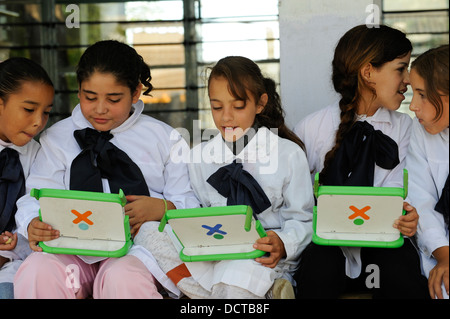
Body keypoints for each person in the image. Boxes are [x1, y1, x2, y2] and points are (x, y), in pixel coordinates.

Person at [13, 40, 199, 299]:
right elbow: (35, 195)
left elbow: (191, 201)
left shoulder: (165, 138)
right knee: (38, 269)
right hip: (72, 251)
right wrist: (32, 222)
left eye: (113, 99)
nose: (100, 109)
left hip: (137, 250)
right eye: (90, 97)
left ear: (135, 92)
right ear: (78, 91)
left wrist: (163, 208)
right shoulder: (56, 138)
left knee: (121, 278)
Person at [135, 56, 314, 299]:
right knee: (149, 233)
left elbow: (303, 220)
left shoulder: (288, 155)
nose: (226, 117)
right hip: (213, 254)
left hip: (262, 258)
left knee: (239, 270)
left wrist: (282, 243)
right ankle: (259, 294)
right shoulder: (199, 157)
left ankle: (221, 293)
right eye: (217, 107)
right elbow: (193, 216)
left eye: (238, 106)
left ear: (260, 104)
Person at [293, 24, 429, 299]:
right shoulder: (312, 128)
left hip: (384, 241)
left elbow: (409, 190)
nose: (408, 80)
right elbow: (296, 196)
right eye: (401, 68)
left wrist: (410, 216)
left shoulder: (405, 128)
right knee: (318, 271)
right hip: (327, 242)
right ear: (368, 73)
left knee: (401, 272)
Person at [0, 57, 54, 299]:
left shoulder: (42, 157)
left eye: (46, 113)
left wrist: (11, 247)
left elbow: (34, 217)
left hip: (14, 267)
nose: (38, 122)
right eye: (29, 109)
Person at [407, 44, 449, 299]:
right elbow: (420, 200)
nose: (413, 106)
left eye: (422, 94)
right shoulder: (420, 132)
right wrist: (444, 257)